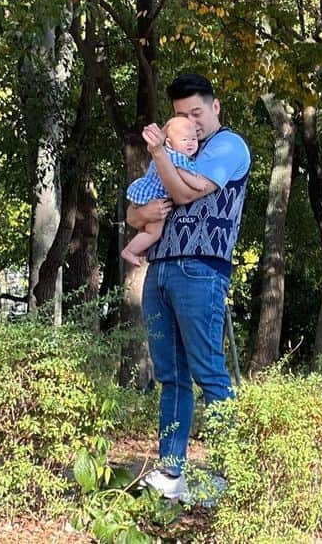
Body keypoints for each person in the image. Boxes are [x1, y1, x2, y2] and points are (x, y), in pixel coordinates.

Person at [128, 72, 250, 503]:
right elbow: (132, 215)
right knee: (171, 376)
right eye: (180, 115)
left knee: (209, 372)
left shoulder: (227, 147)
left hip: (200, 267)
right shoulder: (173, 147)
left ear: (215, 107)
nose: (190, 124)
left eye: (196, 113)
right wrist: (142, 211)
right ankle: (171, 471)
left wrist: (160, 152)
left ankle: (227, 473)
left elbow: (180, 196)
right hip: (158, 268)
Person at [121, 116, 203, 266]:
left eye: (193, 139)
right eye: (185, 140)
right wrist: (197, 182)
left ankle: (139, 247)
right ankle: (130, 251)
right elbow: (184, 174)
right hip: (155, 197)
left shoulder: (170, 153)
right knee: (154, 232)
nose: (190, 143)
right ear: (170, 143)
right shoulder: (175, 157)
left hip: (146, 194)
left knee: (147, 229)